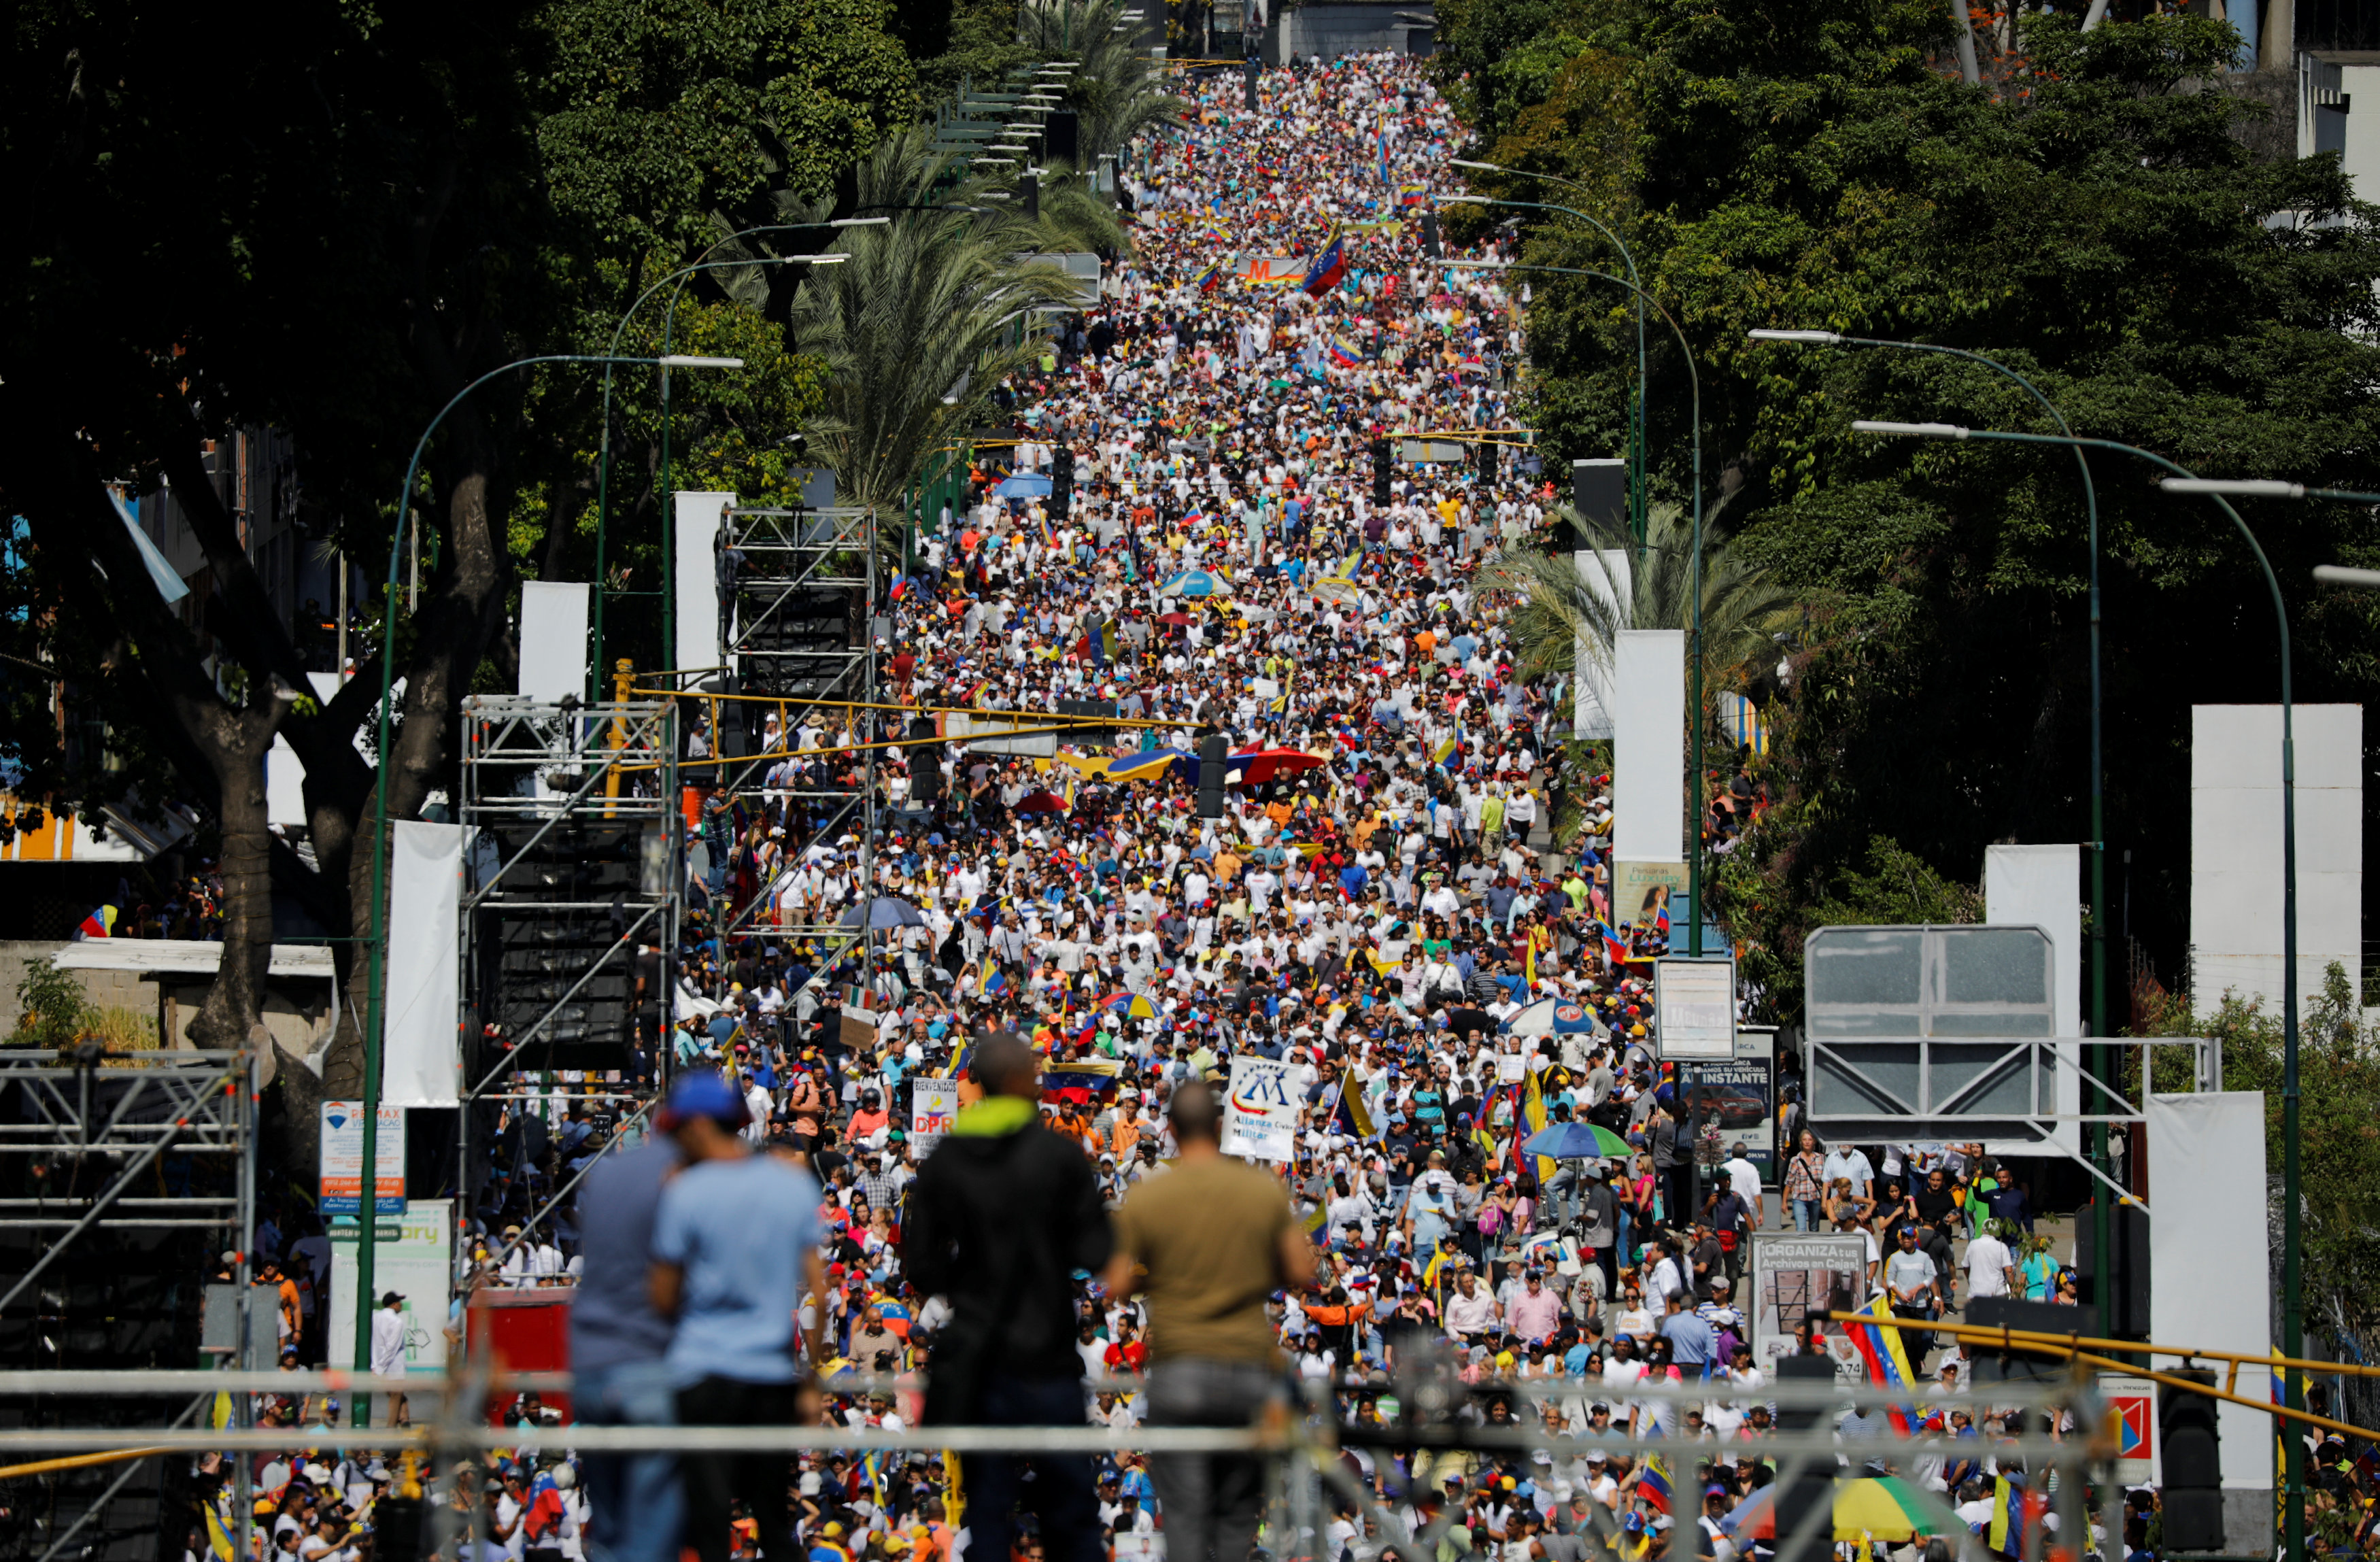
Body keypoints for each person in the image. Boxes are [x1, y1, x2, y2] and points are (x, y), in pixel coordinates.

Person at [904, 1035, 1113, 1562]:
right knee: (1073, 1511)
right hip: (1048, 1359)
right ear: (1022, 1083)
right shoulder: (1059, 1156)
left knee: (989, 1511)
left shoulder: (946, 1160)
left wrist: (971, 1276)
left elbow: (922, 1266)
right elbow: (1096, 1249)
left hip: (980, 1359)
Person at [1102, 1081, 1314, 1562]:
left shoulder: (1152, 1197)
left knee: (1184, 1512)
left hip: (1179, 1371)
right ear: (1220, 1127)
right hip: (1245, 1368)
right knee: (1238, 1510)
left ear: (1171, 1128)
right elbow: (1303, 1271)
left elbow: (1114, 1282)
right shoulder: (1259, 1189)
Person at [649, 1070, 826, 1562]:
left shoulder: (683, 1190)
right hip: (769, 1377)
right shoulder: (790, 1185)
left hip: (701, 1375)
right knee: (773, 1516)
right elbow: (819, 1289)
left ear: (702, 1125)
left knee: (710, 1523)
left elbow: (662, 1296)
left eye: (680, 1129)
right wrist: (811, 1379)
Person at [573, 1111, 688, 1562]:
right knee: (649, 1536)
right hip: (648, 1368)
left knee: (610, 1528)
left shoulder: (606, 1177)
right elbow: (667, 1288)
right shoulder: (681, 1180)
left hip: (591, 1367)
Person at [368, 1291, 409, 1428]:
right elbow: (392, 1347)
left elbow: (373, 1342)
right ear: (394, 1305)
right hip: (393, 1366)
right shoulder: (397, 1322)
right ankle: (390, 1429)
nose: (401, 1305)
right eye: (399, 1303)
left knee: (397, 1395)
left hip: (378, 1363)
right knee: (396, 1397)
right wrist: (381, 1368)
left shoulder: (375, 1317)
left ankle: (404, 1418)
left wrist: (376, 1365)